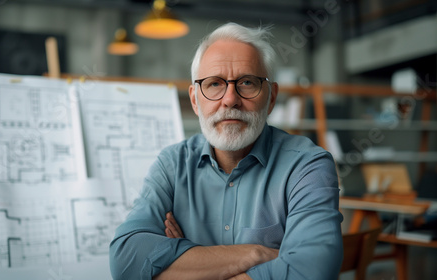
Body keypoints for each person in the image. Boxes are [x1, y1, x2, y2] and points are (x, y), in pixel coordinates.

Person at [109, 22, 343, 280]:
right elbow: (125, 260)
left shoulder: (307, 165)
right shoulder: (172, 165)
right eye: (214, 84)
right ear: (195, 100)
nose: (230, 99)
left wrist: (186, 265)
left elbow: (311, 271)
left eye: (247, 82)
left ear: (271, 97)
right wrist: (257, 254)